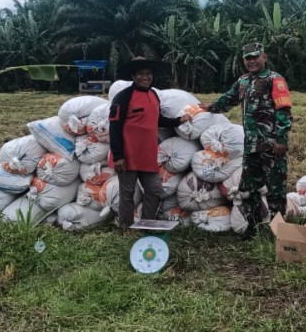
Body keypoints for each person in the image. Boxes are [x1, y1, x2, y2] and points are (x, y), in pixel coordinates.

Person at [199, 42, 292, 232]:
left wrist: (281, 139)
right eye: (248, 58)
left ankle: (280, 232)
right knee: (248, 189)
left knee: (275, 190)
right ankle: (252, 227)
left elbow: (283, 110)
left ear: (263, 57)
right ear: (244, 61)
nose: (252, 61)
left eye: (255, 57)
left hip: (271, 146)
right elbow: (229, 98)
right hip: (250, 147)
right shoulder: (243, 81)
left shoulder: (274, 79)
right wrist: (211, 107)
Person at [109, 57, 189, 230]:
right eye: (141, 74)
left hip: (147, 156)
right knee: (128, 193)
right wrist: (118, 156)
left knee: (154, 191)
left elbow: (157, 119)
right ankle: (126, 227)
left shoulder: (153, 95)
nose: (145, 77)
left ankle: (147, 224)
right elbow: (114, 127)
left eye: (148, 74)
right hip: (127, 156)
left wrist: (177, 121)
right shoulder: (123, 97)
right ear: (134, 76)